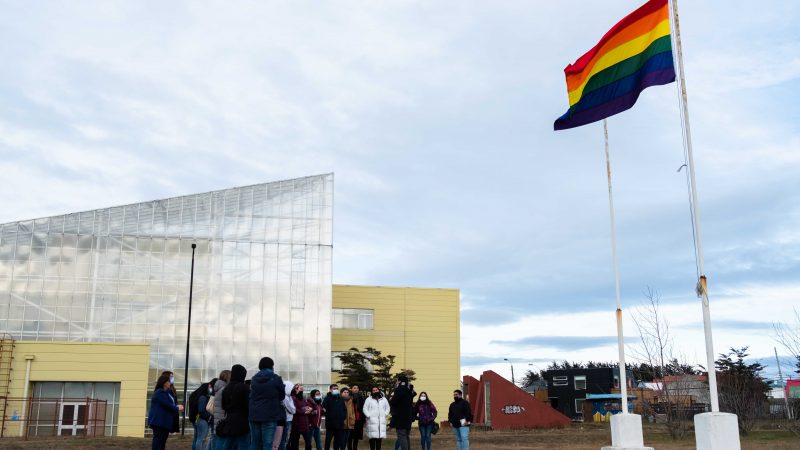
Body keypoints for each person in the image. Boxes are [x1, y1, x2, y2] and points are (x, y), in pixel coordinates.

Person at [248, 357, 285, 450]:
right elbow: (282, 396)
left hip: (254, 415)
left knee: (255, 443)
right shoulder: (276, 378)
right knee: (267, 445)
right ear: (272, 366)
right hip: (269, 415)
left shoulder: (254, 379)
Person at [148, 373, 184, 450]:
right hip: (159, 422)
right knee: (158, 443)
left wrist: (176, 406)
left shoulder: (168, 393)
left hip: (165, 422)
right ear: (164, 383)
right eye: (168, 381)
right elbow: (167, 404)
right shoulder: (159, 392)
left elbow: (171, 403)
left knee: (162, 443)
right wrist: (177, 408)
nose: (170, 382)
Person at [220, 364, 251, 450]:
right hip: (242, 422)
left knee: (228, 445)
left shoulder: (226, 388)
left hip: (229, 421)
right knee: (243, 445)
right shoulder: (244, 387)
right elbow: (248, 405)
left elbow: (223, 406)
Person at [388, 376, 413, 450]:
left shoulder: (399, 390)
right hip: (408, 418)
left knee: (402, 436)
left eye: (397, 381)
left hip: (400, 418)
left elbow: (393, 401)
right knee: (406, 436)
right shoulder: (409, 391)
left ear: (399, 381)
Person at [190, 381, 213, 450]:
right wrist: (209, 417)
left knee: (197, 438)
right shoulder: (203, 397)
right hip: (203, 420)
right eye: (209, 387)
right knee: (201, 439)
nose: (210, 389)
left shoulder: (196, 396)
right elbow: (201, 410)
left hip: (196, 419)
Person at [322, 384, 346, 450]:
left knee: (337, 441)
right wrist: (329, 416)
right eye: (334, 388)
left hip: (340, 424)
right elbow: (323, 409)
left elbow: (344, 409)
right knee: (328, 441)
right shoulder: (327, 398)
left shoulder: (341, 398)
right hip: (330, 424)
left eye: (337, 388)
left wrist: (343, 416)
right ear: (330, 389)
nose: (336, 390)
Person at [289, 383, 313, 450]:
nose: (301, 390)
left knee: (308, 442)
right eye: (300, 388)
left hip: (305, 423)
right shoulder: (293, 398)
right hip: (296, 423)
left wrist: (309, 408)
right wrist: (304, 412)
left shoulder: (302, 398)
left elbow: (304, 406)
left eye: (302, 389)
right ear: (295, 389)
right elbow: (294, 409)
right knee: (294, 443)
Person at [212, 370, 232, 450]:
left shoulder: (218, 388)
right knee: (222, 445)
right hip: (223, 422)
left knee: (218, 443)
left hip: (217, 421)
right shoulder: (225, 389)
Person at [276, 381, 296, 450]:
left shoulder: (289, 397)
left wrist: (293, 409)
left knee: (285, 440)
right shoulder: (284, 397)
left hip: (289, 420)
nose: (293, 390)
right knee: (284, 440)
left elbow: (293, 409)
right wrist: (293, 409)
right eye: (292, 388)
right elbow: (293, 410)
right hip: (286, 420)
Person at [348, 386, 365, 450]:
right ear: (351, 389)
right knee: (349, 437)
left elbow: (363, 409)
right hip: (350, 420)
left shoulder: (361, 398)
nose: (356, 389)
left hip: (358, 420)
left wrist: (363, 419)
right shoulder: (348, 398)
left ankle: (355, 448)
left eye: (357, 388)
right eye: (354, 388)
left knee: (356, 437)